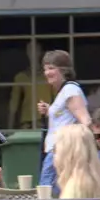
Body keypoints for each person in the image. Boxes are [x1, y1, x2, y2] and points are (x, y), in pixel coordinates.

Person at [36, 49, 89, 189]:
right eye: (45, 69)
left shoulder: (70, 91)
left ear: (64, 70)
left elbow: (86, 122)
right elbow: (66, 118)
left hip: (61, 152)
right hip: (57, 151)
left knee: (47, 194)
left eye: (51, 68)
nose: (47, 72)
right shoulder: (64, 91)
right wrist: (49, 111)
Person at [51, 123, 100, 199]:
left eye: (55, 149)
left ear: (66, 152)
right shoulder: (93, 180)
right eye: (97, 136)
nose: (54, 155)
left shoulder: (74, 188)